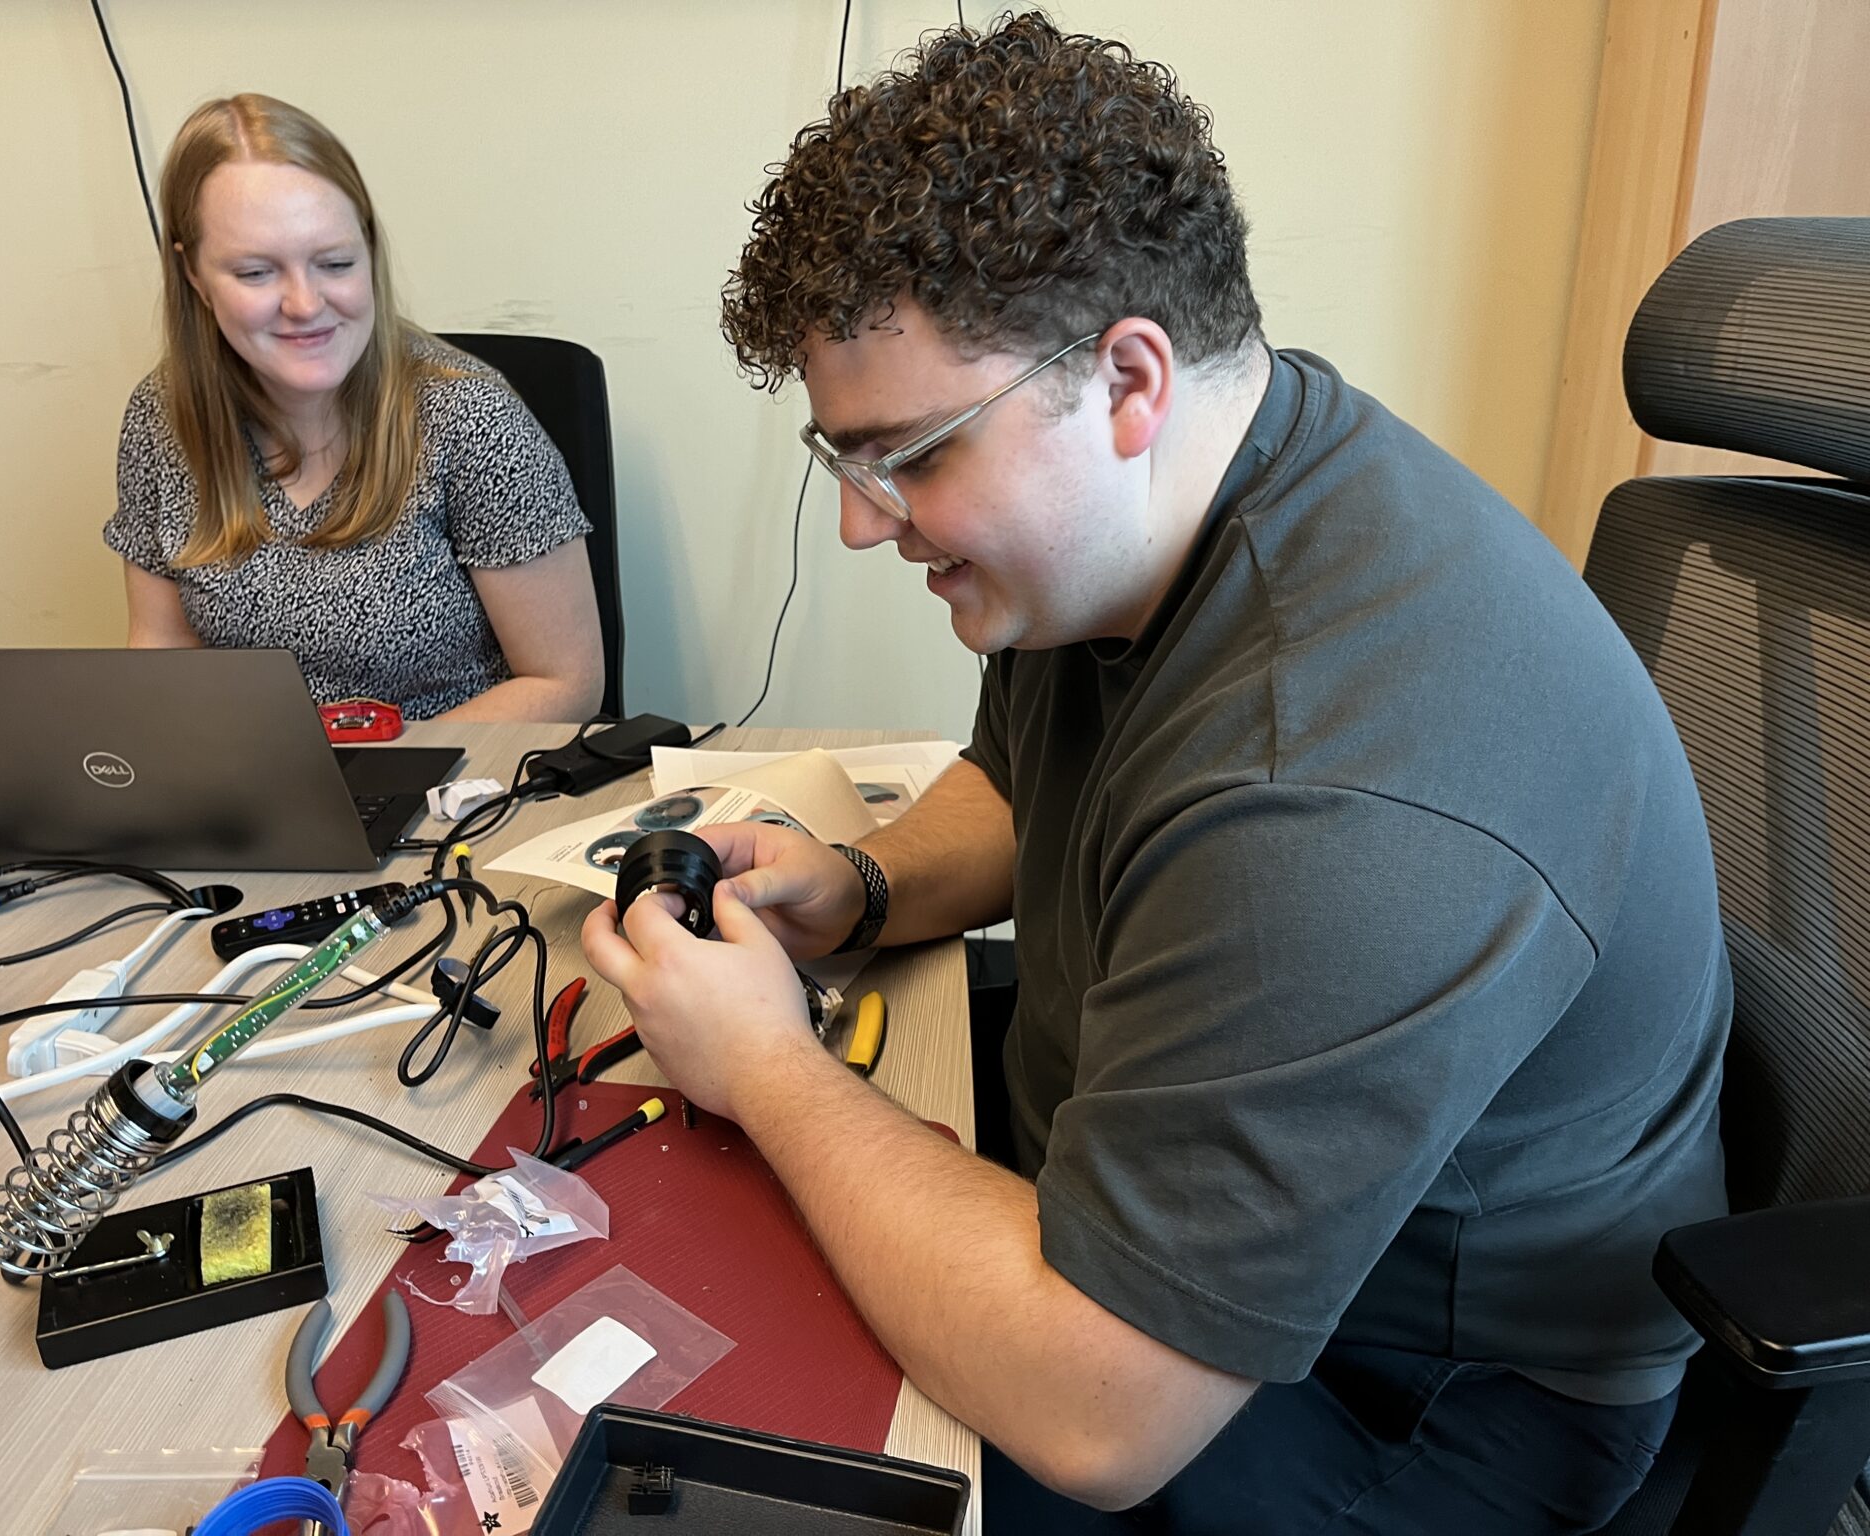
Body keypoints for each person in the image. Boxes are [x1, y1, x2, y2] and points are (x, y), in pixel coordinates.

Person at [580, 15, 1730, 1535]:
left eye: (908, 457)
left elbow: (1096, 1408)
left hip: (1416, 1388)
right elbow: (1024, 779)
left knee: (750, 1457)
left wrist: (769, 1064)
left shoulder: (1334, 789)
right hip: (1170, 1203)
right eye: (844, 462)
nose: (869, 525)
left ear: (1127, 377)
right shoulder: (1171, 500)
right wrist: (856, 891)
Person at [105, 93, 603, 723]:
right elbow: (164, 648)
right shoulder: (163, 416)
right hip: (261, 791)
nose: (305, 304)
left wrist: (368, 783)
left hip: (451, 789)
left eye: (335, 263)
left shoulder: (470, 416)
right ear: (194, 277)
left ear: (369, 250)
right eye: (257, 273)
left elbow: (566, 682)